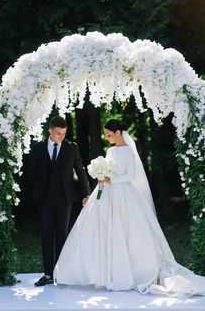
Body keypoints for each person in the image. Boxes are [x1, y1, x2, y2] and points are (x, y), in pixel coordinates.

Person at [54, 119, 205, 296]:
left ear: (118, 133)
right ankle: (101, 273)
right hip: (107, 193)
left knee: (126, 230)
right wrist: (99, 188)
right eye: (105, 134)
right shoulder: (110, 151)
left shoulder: (129, 152)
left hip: (124, 194)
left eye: (109, 134)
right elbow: (106, 174)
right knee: (99, 230)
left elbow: (130, 175)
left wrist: (112, 180)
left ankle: (128, 272)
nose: (106, 137)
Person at [29, 116, 91, 286]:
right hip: (44, 198)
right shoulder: (38, 148)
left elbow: (80, 169)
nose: (61, 137)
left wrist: (87, 193)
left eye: (63, 134)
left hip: (65, 198)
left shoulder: (72, 147)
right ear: (50, 131)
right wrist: (42, 182)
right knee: (46, 236)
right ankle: (48, 274)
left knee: (62, 235)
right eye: (57, 134)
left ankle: (62, 273)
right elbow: (31, 171)